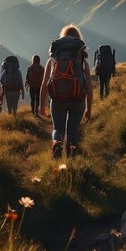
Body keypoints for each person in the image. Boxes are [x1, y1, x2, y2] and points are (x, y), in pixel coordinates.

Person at [39, 25, 93, 158]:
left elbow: (45, 84)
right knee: (73, 128)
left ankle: (57, 141)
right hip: (77, 99)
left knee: (58, 128)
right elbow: (89, 87)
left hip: (58, 99)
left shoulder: (53, 59)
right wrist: (89, 109)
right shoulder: (82, 61)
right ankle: (71, 158)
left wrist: (41, 106)